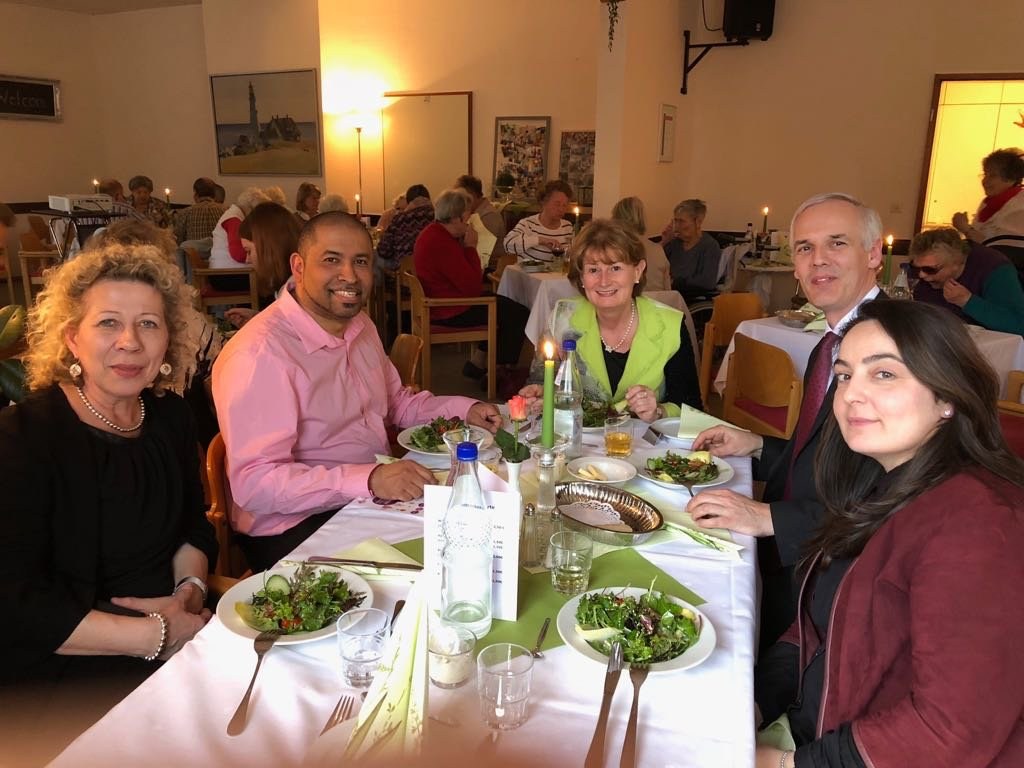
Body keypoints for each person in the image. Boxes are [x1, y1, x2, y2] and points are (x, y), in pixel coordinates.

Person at [754, 300, 1024, 768]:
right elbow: (815, 630)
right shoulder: (879, 481)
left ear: (948, 397)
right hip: (815, 730)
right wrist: (755, 703)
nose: (851, 394)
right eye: (844, 375)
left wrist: (784, 765)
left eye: (883, 374)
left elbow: (948, 732)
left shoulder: (978, 525)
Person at [212, 211, 501, 571]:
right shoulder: (260, 354)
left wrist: (466, 408)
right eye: (331, 260)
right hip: (294, 527)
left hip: (368, 499)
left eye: (360, 262)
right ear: (298, 267)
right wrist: (367, 479)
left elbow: (397, 404)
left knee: (483, 532)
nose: (349, 275)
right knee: (448, 568)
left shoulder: (359, 325)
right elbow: (257, 485)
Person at [0, 243, 216, 683]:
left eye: (148, 324)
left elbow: (194, 527)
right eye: (108, 323)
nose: (130, 342)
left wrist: (187, 594)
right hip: (70, 663)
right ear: (72, 339)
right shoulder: (23, 436)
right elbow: (15, 603)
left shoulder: (171, 416)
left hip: (183, 633)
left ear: (167, 340)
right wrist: (155, 636)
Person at [687, 192, 883, 649]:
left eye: (837, 243)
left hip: (839, 587)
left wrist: (765, 516)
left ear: (873, 253)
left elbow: (884, 500)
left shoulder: (888, 350)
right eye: (804, 248)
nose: (818, 261)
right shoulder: (830, 341)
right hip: (796, 558)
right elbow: (822, 456)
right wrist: (756, 445)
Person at [519, 219, 701, 420]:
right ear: (581, 277)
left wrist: (658, 411)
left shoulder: (669, 325)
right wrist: (537, 392)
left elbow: (691, 408)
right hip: (579, 443)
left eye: (615, 268)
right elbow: (539, 381)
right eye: (593, 270)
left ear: (638, 271)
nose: (604, 281)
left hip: (645, 447)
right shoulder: (563, 318)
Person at [413, 189, 529, 381]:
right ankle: (499, 372)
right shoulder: (441, 243)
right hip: (449, 309)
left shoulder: (433, 232)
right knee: (517, 313)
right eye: (467, 217)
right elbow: (472, 288)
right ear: (456, 218)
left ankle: (477, 363)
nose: (469, 223)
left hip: (444, 301)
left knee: (506, 307)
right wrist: (470, 247)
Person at [910, 226, 1024, 335]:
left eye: (930, 269)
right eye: (916, 267)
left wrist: (968, 301)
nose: (921, 275)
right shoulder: (926, 276)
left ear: (957, 262)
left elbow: (1018, 325)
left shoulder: (995, 269)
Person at [224, 201, 302, 329]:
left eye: (249, 251)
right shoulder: (290, 282)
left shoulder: (294, 289)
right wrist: (258, 317)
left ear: (267, 247)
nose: (247, 259)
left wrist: (259, 322)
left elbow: (289, 337)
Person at [952, 147, 1024, 252]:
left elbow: (999, 250)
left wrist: (965, 228)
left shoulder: (1019, 207)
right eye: (985, 174)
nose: (985, 181)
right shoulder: (989, 203)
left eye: (993, 176)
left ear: (1011, 178)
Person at [209, 186, 270, 291]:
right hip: (227, 276)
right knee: (271, 280)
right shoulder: (234, 219)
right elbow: (239, 254)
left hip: (229, 273)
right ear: (251, 209)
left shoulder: (234, 215)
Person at [503, 179, 574, 264]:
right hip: (530, 276)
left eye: (564, 205)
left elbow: (571, 256)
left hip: (556, 276)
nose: (561, 209)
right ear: (544, 202)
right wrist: (540, 240)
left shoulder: (567, 227)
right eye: (557, 204)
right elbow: (507, 245)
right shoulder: (528, 224)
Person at [611, 196, 671, 291]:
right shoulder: (657, 250)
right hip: (657, 302)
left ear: (615, 218)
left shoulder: (610, 250)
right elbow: (668, 291)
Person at [663, 198, 720, 295]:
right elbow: (656, 266)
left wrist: (675, 282)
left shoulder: (710, 246)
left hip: (693, 299)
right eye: (675, 221)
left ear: (698, 222)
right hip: (669, 295)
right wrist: (664, 241)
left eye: (681, 221)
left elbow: (707, 282)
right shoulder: (674, 244)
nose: (676, 226)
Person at [455, 174, 507, 272]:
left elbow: (482, 254)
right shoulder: (472, 212)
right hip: (475, 261)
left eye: (460, 198)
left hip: (490, 268)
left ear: (471, 196)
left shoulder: (489, 216)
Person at [376, 184, 433, 271]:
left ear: (408, 201)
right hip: (434, 271)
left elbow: (384, 250)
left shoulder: (399, 219)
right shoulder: (439, 216)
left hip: (406, 273)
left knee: (374, 257)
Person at [173, 177, 225, 244]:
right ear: (214, 194)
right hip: (220, 253)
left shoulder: (185, 213)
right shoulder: (226, 210)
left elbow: (177, 240)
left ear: (195, 193)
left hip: (193, 253)